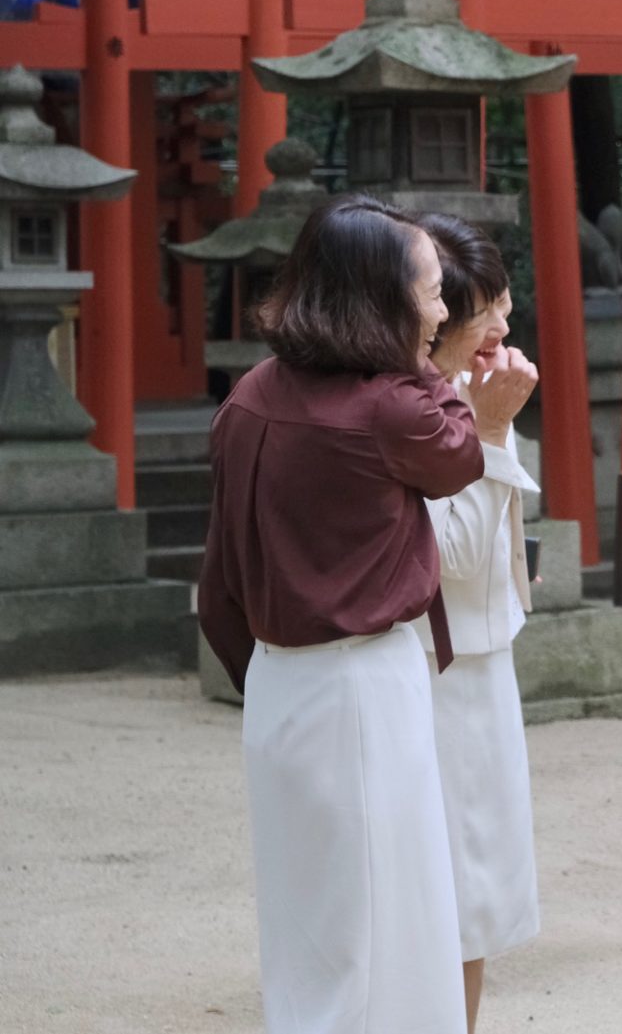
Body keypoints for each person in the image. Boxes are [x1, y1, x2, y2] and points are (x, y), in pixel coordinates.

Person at [197, 193, 522, 1034]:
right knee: (392, 923)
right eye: (427, 291)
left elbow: (218, 585)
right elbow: (456, 449)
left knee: (310, 926)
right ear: (376, 299)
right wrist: (473, 407)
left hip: (276, 684)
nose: (443, 310)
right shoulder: (391, 407)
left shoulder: (251, 394)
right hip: (364, 683)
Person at [414, 213, 542, 1034]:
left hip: (487, 656)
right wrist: (492, 430)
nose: (502, 325)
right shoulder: (415, 408)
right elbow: (452, 554)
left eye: (503, 303)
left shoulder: (480, 386)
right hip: (435, 661)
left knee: (482, 884)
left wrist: (494, 419)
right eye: (484, 310)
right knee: (449, 877)